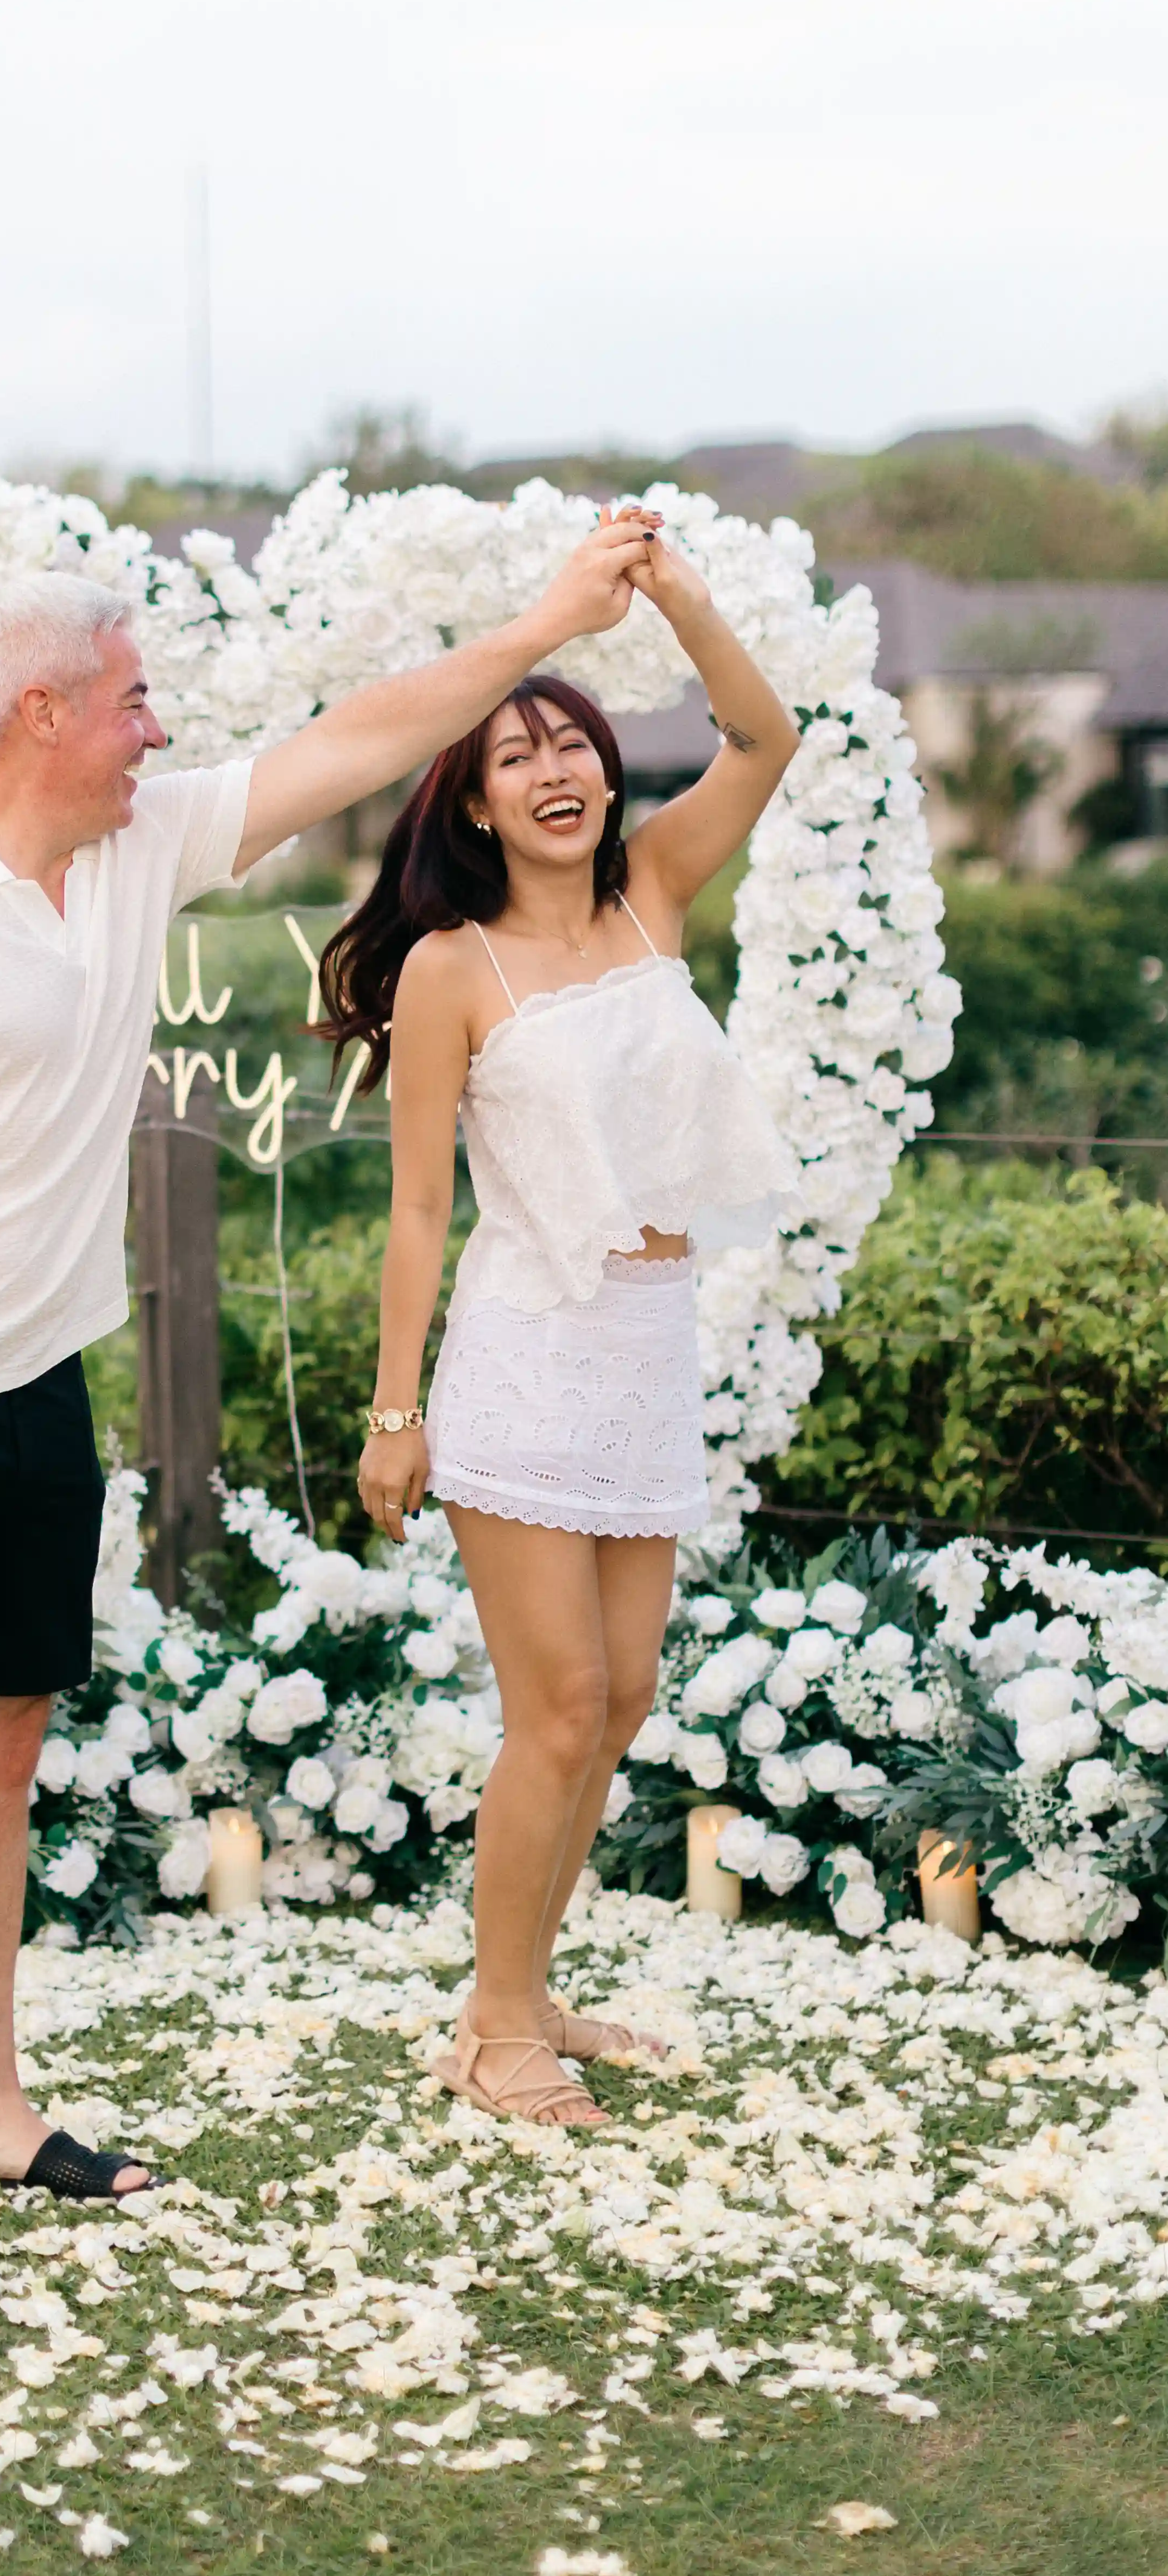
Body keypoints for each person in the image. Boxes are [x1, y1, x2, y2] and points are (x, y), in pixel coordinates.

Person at [0, 516, 666, 2251]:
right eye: (131, 699)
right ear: (38, 712)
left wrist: (549, 619)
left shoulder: (133, 847)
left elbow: (373, 732)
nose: (157, 728)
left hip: (34, 1394)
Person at [318, 520, 800, 2132]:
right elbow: (415, 1214)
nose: (554, 773)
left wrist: (670, 598)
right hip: (525, 1354)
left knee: (628, 1696)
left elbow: (762, 736)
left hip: (647, 1351)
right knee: (559, 1708)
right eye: (516, 754)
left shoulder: (653, 891)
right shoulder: (451, 968)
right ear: (467, 799)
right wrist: (396, 1413)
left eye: (574, 746)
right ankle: (494, 2031)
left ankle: (524, 1987)